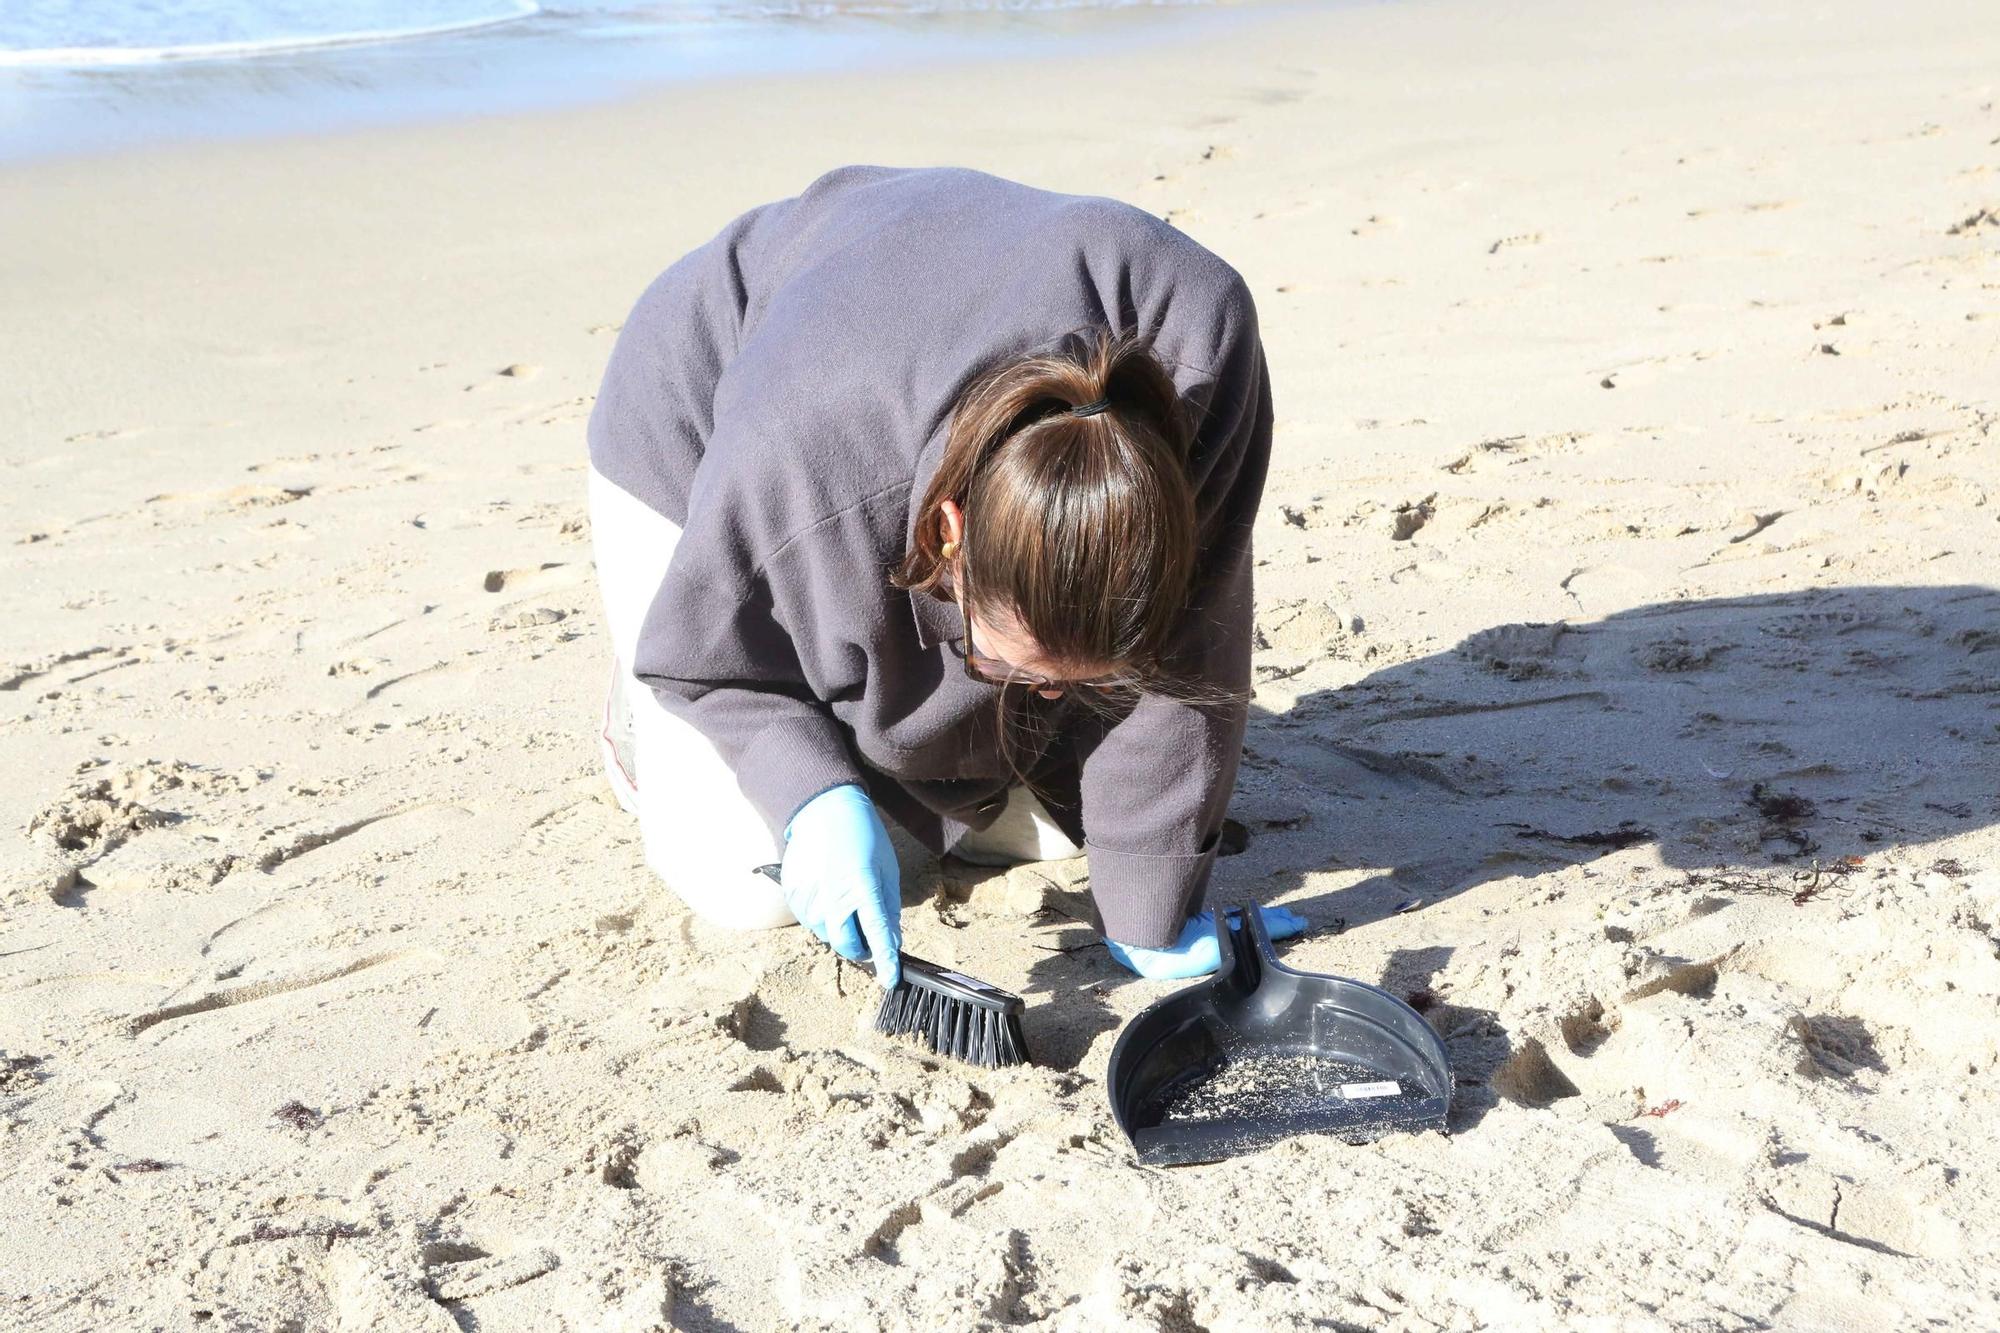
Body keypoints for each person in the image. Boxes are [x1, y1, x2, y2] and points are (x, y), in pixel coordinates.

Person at [585, 164, 1307, 990]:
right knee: (748, 884)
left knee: (1080, 832)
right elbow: (701, 656)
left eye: (1076, 682)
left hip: (906, 372)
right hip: (694, 434)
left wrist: (1151, 914)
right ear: (948, 534)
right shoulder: (800, 455)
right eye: (1013, 667)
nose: (1038, 695)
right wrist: (814, 795)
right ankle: (635, 730)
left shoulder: (1204, 340)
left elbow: (1196, 625)